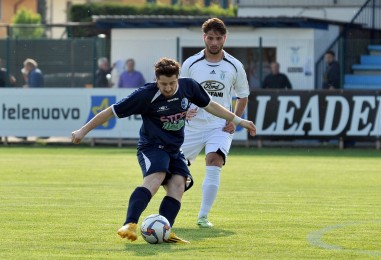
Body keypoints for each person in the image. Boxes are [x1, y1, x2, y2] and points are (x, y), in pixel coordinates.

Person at [71, 57, 256, 243]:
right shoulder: (146, 94)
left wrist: (239, 121)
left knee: (178, 184)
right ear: (156, 80)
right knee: (157, 175)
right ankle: (130, 224)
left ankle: (164, 231)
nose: (167, 88)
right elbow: (111, 111)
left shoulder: (189, 87)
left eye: (172, 83)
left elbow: (210, 105)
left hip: (175, 149)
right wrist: (83, 130)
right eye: (163, 84)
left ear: (178, 78)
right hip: (151, 146)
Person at [180, 18, 251, 228]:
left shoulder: (234, 65)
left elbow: (243, 95)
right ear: (204, 38)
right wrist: (184, 111)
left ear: (224, 38)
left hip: (219, 126)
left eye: (218, 38)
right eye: (210, 38)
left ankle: (203, 216)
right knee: (173, 169)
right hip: (193, 126)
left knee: (214, 160)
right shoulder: (191, 63)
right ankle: (174, 198)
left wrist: (234, 121)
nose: (214, 42)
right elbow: (179, 92)